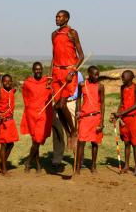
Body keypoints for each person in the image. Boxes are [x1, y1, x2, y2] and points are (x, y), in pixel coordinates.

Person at [48, 10, 85, 151]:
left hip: (68, 72)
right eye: (56, 16)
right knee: (57, 106)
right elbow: (53, 56)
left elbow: (81, 56)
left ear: (67, 18)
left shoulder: (73, 33)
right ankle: (69, 133)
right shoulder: (54, 35)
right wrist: (50, 75)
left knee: (62, 104)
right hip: (56, 72)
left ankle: (74, 131)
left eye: (60, 17)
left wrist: (73, 71)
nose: (57, 19)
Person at [21, 62, 54, 173]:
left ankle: (29, 162)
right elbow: (25, 98)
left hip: (43, 114)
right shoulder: (27, 83)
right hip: (31, 114)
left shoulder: (47, 81)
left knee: (38, 139)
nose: (38, 71)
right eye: (36, 69)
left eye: (40, 69)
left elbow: (53, 93)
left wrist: (51, 88)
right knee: (35, 140)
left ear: (42, 70)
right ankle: (38, 164)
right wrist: (30, 109)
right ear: (33, 70)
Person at [110, 70, 136, 175]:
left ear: (130, 77)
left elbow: (135, 105)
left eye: (124, 77)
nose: (122, 78)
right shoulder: (122, 87)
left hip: (133, 119)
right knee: (126, 143)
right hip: (124, 120)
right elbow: (122, 102)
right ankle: (126, 166)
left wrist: (120, 113)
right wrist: (117, 114)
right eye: (122, 77)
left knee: (135, 144)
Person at [74, 66, 105, 174]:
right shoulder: (82, 85)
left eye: (98, 74)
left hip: (96, 117)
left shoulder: (101, 86)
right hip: (85, 118)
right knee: (81, 142)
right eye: (95, 74)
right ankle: (77, 167)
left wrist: (102, 121)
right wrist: (77, 111)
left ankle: (93, 165)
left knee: (95, 143)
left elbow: (103, 104)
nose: (97, 76)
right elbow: (78, 99)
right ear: (89, 74)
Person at [51, 71, 84, 168]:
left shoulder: (77, 73)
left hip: (71, 102)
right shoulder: (55, 71)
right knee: (58, 133)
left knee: (76, 133)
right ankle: (57, 158)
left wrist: (79, 107)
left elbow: (81, 90)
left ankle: (78, 159)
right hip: (57, 103)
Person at [0, 74, 19, 175]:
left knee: (11, 144)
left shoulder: (12, 90)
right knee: (3, 144)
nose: (7, 83)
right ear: (2, 82)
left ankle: (2, 163)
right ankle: (4, 169)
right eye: (5, 81)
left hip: (10, 121)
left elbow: (15, 87)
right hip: (2, 121)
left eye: (9, 81)